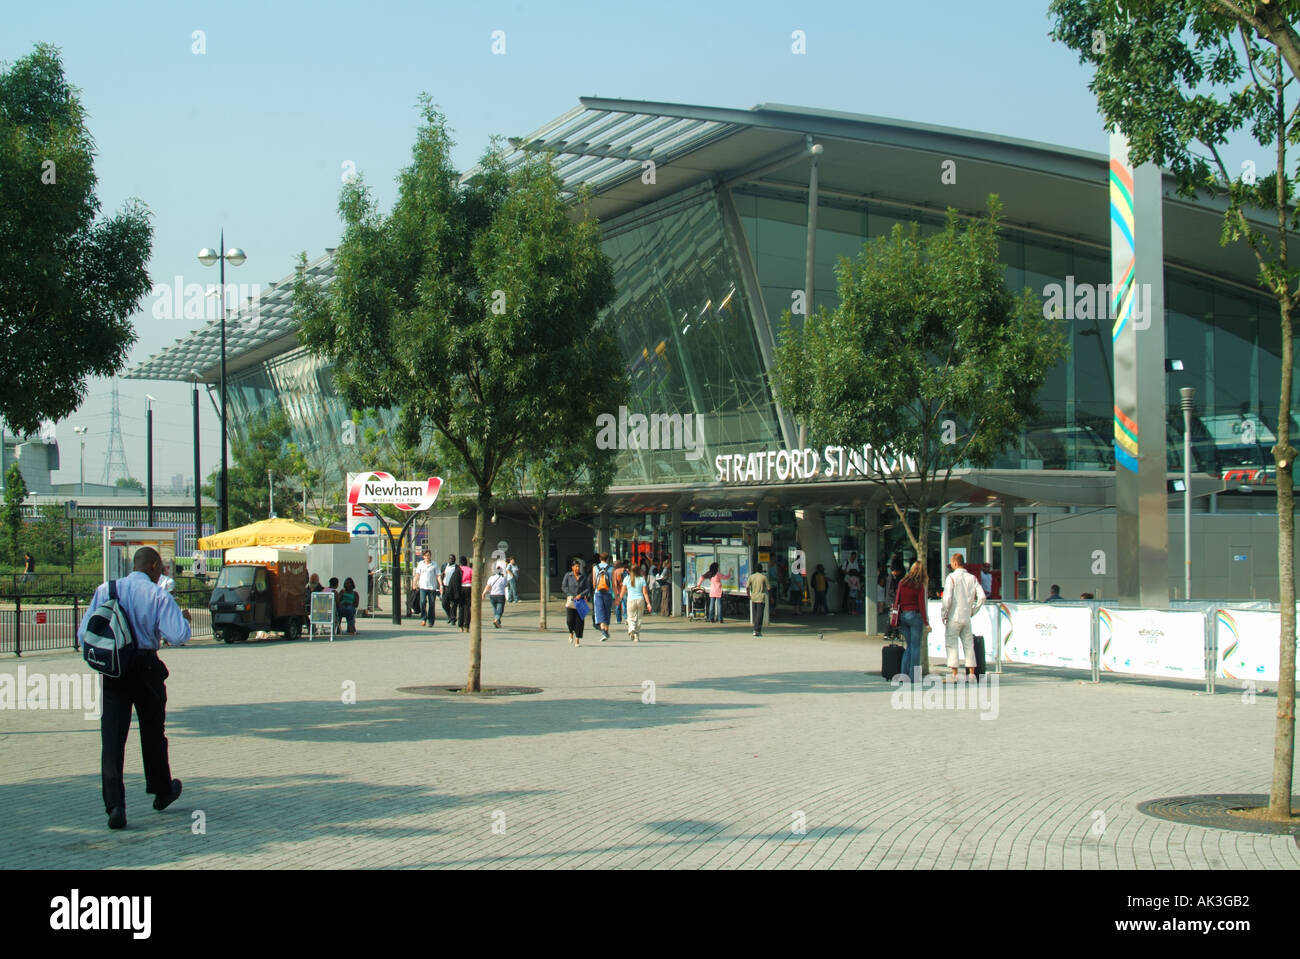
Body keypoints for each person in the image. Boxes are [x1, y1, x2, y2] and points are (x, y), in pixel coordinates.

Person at [77, 546, 190, 830]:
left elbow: (83, 633)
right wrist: (183, 618)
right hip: (146, 666)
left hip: (114, 668)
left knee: (112, 737)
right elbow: (178, 635)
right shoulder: (157, 595)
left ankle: (115, 805)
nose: (162, 572)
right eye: (161, 567)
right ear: (152, 566)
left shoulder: (107, 589)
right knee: (153, 731)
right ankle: (161, 790)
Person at [940, 553, 986, 682]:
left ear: (955, 563)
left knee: (951, 644)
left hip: (954, 616)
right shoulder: (973, 578)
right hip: (967, 616)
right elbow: (982, 597)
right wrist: (973, 610)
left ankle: (954, 675)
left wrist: (944, 614)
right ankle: (971, 674)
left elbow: (947, 598)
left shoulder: (951, 577)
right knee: (968, 644)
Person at [895, 561, 929, 681]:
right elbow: (921, 605)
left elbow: (897, 600)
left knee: (909, 646)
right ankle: (914, 677)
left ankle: (903, 675)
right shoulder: (919, 585)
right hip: (915, 616)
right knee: (915, 647)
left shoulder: (902, 582)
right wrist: (926, 622)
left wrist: (896, 618)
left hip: (903, 616)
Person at [562, 560, 590, 646]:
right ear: (572, 567)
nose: (578, 568)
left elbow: (587, 588)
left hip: (580, 601)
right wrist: (569, 594)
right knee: (569, 620)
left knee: (580, 621)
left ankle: (577, 640)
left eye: (579, 566)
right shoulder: (568, 575)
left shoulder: (583, 576)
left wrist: (581, 595)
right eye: (576, 566)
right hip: (571, 600)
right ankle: (571, 632)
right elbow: (563, 586)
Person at [624, 562, 651, 642]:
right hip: (640, 600)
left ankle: (631, 628)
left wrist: (619, 599)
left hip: (631, 600)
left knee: (631, 617)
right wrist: (648, 603)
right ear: (639, 570)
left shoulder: (627, 579)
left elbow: (623, 591)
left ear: (629, 571)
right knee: (639, 619)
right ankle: (636, 636)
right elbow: (645, 593)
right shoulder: (642, 579)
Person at [591, 554, 614, 641]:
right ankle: (606, 630)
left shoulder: (595, 568)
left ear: (600, 558)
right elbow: (613, 583)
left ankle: (603, 632)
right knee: (607, 611)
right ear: (608, 559)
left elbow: (594, 582)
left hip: (598, 593)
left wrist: (596, 589)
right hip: (608, 593)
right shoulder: (611, 568)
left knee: (599, 611)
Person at [415, 549, 438, 627]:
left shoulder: (434, 564)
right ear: (423, 556)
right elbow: (417, 574)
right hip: (423, 586)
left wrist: (440, 585)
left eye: (428, 555)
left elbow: (438, 575)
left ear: (430, 556)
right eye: (425, 555)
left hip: (432, 587)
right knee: (422, 602)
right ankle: (423, 618)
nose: (427, 557)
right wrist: (414, 583)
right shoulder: (420, 564)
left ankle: (431, 621)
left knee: (432, 604)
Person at [746, 563, 769, 637]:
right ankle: (757, 630)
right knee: (760, 615)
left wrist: (748, 595)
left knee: (756, 615)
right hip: (761, 598)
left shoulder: (751, 577)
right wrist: (770, 597)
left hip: (753, 598)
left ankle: (756, 629)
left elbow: (747, 587)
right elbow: (769, 588)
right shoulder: (764, 577)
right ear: (761, 569)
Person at [482, 564, 508, 628]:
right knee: (500, 610)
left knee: (495, 610)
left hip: (492, 596)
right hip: (500, 596)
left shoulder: (491, 578)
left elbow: (488, 586)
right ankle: (496, 620)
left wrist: (483, 593)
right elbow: (506, 585)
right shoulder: (503, 578)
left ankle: (498, 623)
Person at [442, 554, 460, 625]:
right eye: (450, 558)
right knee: (444, 603)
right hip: (445, 586)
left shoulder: (457, 568)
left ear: (455, 560)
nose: (451, 560)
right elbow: (441, 575)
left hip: (453, 587)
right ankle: (451, 616)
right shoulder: (444, 566)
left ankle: (453, 618)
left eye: (452, 559)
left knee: (454, 604)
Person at [458, 556, 473, 632]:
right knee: (467, 607)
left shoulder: (458, 569)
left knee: (461, 607)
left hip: (461, 588)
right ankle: (467, 626)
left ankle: (460, 626)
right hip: (468, 587)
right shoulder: (470, 570)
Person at [612, 559, 628, 625]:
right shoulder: (626, 570)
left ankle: (618, 620)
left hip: (619, 590)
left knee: (618, 605)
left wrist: (615, 591)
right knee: (625, 605)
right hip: (625, 590)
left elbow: (615, 583)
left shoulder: (615, 572)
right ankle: (626, 619)